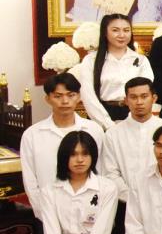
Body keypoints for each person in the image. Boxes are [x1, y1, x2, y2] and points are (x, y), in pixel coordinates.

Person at [20, 74, 105, 222]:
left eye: (70, 95)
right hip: (48, 213)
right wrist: (44, 214)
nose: (65, 101)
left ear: (79, 97)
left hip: (88, 214)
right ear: (47, 99)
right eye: (58, 96)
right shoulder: (32, 135)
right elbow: (30, 181)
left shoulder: (94, 130)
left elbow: (101, 171)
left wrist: (96, 211)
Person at [79, 13, 155, 129]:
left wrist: (131, 122)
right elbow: (88, 97)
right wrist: (108, 125)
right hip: (101, 117)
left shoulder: (141, 60)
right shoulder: (91, 60)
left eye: (126, 30)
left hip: (134, 116)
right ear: (105, 32)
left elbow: (145, 92)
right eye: (115, 30)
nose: (122, 35)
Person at [99, 77, 162, 204]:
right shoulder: (113, 134)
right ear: (126, 101)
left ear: (154, 98)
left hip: (161, 201)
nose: (139, 102)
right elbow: (110, 173)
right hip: (124, 203)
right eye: (133, 97)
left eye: (144, 96)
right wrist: (131, 198)